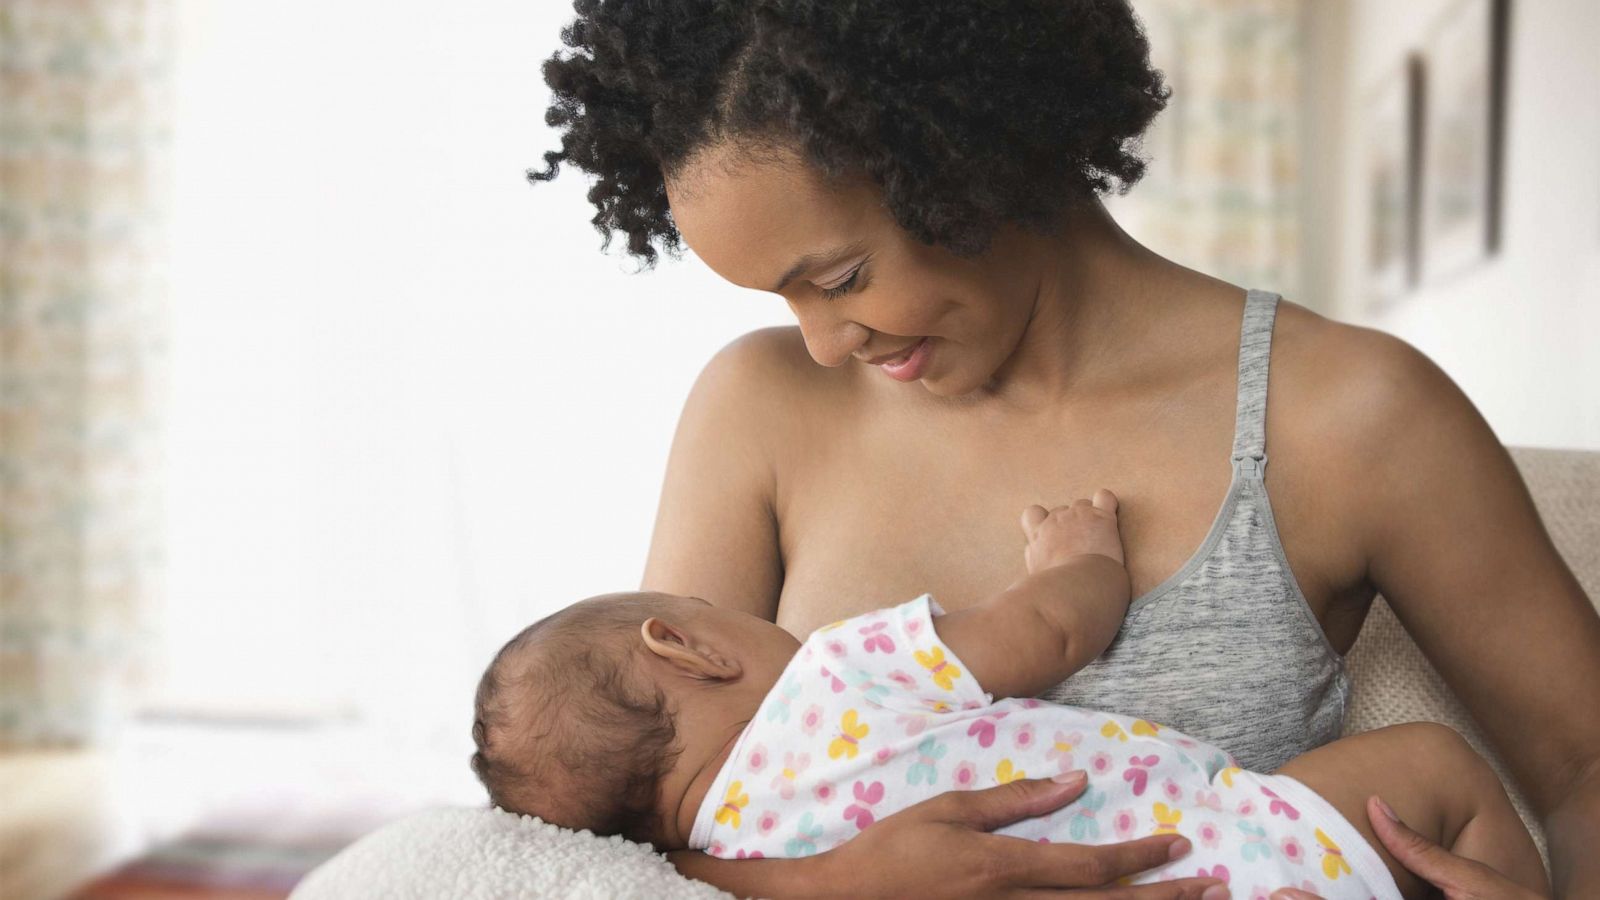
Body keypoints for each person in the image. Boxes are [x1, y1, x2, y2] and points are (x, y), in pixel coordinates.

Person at [530, 1, 1600, 897]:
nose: (821, 342)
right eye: (782, 296)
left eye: (843, 278)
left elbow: (1582, 763)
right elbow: (629, 826)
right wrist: (824, 885)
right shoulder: (757, 409)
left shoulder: (1348, 415)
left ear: (962, 157)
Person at [470, 492, 1548, 899]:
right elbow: (1049, 633)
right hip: (1233, 850)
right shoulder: (834, 674)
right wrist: (1075, 558)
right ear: (688, 648)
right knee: (1437, 770)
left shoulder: (738, 872)